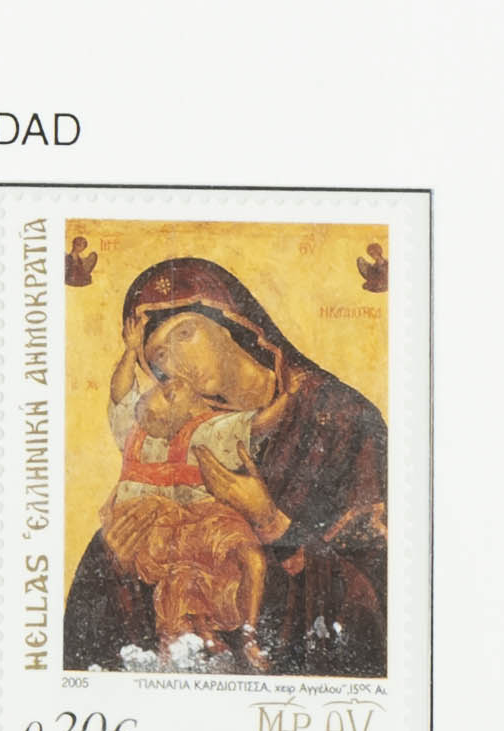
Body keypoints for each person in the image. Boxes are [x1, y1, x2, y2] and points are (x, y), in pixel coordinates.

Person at [51, 252, 393, 676]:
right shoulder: (177, 438)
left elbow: (381, 598)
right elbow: (86, 642)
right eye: (159, 356)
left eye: (185, 333)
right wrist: (119, 564)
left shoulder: (341, 420)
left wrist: (270, 520)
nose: (176, 362)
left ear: (234, 322)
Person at [83, 362, 287, 662]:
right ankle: (227, 636)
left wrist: (130, 353)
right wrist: (291, 396)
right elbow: (259, 424)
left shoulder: (197, 428)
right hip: (177, 526)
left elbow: (122, 394)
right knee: (200, 577)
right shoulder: (202, 431)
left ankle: (245, 636)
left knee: (243, 563)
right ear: (166, 423)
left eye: (165, 389)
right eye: (167, 395)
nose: (170, 384)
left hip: (203, 521)